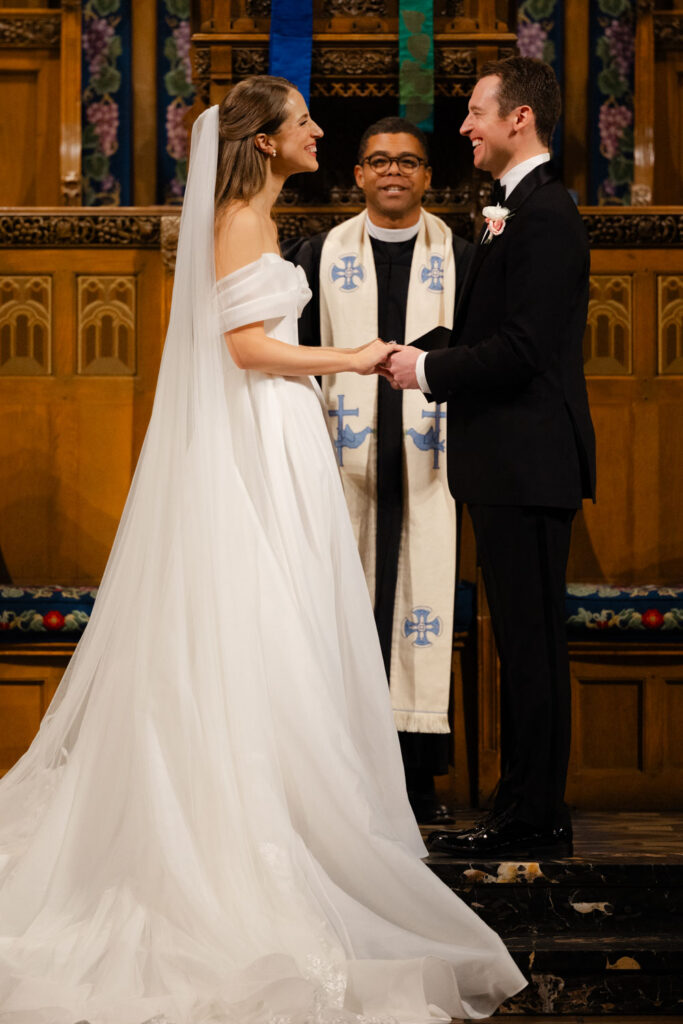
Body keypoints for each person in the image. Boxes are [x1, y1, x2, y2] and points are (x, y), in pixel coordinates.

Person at [0, 76, 526, 1022]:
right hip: (260, 423)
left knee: (281, 621)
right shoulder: (242, 217)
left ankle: (281, 808)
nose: (320, 132)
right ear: (266, 139)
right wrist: (352, 356)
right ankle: (250, 830)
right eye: (305, 124)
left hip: (277, 430)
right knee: (262, 618)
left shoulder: (258, 213)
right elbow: (245, 348)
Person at [387, 57, 596, 859]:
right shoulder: (511, 211)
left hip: (528, 462)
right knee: (518, 642)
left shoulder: (545, 214)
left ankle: (533, 814)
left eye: (477, 112)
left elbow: (521, 350)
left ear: (520, 120)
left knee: (531, 645)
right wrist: (408, 352)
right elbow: (487, 332)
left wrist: (427, 371)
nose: (464, 126)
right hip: (506, 462)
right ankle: (523, 807)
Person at [285, 118, 473, 825]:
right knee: (349, 606)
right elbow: (293, 363)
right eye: (377, 161)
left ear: (428, 177)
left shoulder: (461, 255)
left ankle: (415, 777)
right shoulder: (314, 256)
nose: (392, 171)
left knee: (416, 610)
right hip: (342, 464)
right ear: (356, 175)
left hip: (435, 465)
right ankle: (345, 775)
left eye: (408, 162)